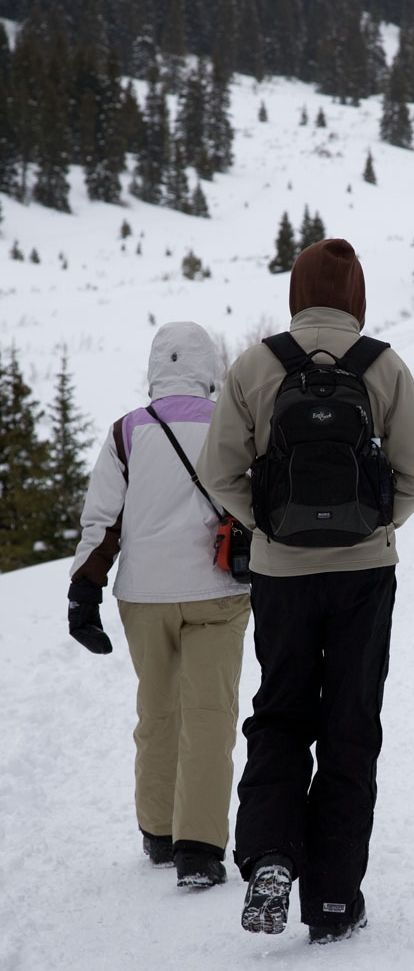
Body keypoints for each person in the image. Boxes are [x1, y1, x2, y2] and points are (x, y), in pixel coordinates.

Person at [196, 238, 414, 943]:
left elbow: (221, 473)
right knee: (350, 725)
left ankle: (271, 854)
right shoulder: (384, 365)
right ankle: (334, 901)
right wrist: (375, 525)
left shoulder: (255, 364)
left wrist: (267, 527)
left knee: (280, 713)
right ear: (357, 297)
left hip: (281, 575)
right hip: (365, 575)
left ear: (297, 293)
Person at [68, 321, 251, 888]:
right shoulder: (231, 425)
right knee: (209, 717)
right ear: (209, 369)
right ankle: (199, 847)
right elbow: (253, 503)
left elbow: (103, 521)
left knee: (158, 709)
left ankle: (158, 833)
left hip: (143, 596)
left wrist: (83, 592)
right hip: (217, 592)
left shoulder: (126, 432)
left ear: (155, 370)